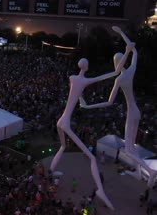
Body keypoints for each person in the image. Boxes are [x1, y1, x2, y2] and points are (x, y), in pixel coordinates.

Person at [50, 36, 133, 210]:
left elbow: (75, 94)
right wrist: (126, 51)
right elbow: (115, 72)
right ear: (86, 67)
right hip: (65, 123)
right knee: (92, 158)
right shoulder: (86, 81)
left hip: (61, 120)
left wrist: (82, 100)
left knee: (63, 147)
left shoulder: (73, 78)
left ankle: (50, 171)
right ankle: (101, 191)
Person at [80, 27, 156, 187]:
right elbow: (134, 51)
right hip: (137, 112)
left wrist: (89, 106)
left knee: (129, 150)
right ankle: (137, 171)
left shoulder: (119, 80)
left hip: (131, 113)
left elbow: (109, 102)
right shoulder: (132, 70)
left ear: (116, 63)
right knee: (132, 146)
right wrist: (122, 33)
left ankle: (151, 172)